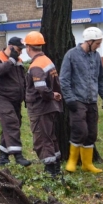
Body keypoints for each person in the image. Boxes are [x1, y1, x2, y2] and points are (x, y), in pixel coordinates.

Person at [60, 27, 103, 174]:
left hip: (92, 100)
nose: (98, 46)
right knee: (80, 130)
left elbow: (100, 78)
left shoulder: (96, 56)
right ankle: (71, 161)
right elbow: (64, 79)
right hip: (77, 100)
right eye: (97, 43)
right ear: (89, 41)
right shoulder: (71, 55)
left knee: (92, 133)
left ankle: (87, 164)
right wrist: (69, 99)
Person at [23, 31, 63, 177]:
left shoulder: (36, 66)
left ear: (28, 47)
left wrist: (51, 95)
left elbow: (41, 89)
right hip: (51, 107)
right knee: (51, 137)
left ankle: (50, 172)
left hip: (40, 108)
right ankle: (56, 167)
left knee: (42, 139)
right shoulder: (47, 60)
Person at [0, 36, 31, 167]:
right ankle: (18, 156)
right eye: (19, 49)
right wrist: (11, 60)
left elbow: (21, 80)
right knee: (11, 123)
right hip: (1, 97)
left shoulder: (18, 60)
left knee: (12, 125)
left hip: (15, 99)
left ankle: (3, 157)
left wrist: (26, 96)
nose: (21, 52)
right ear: (11, 47)